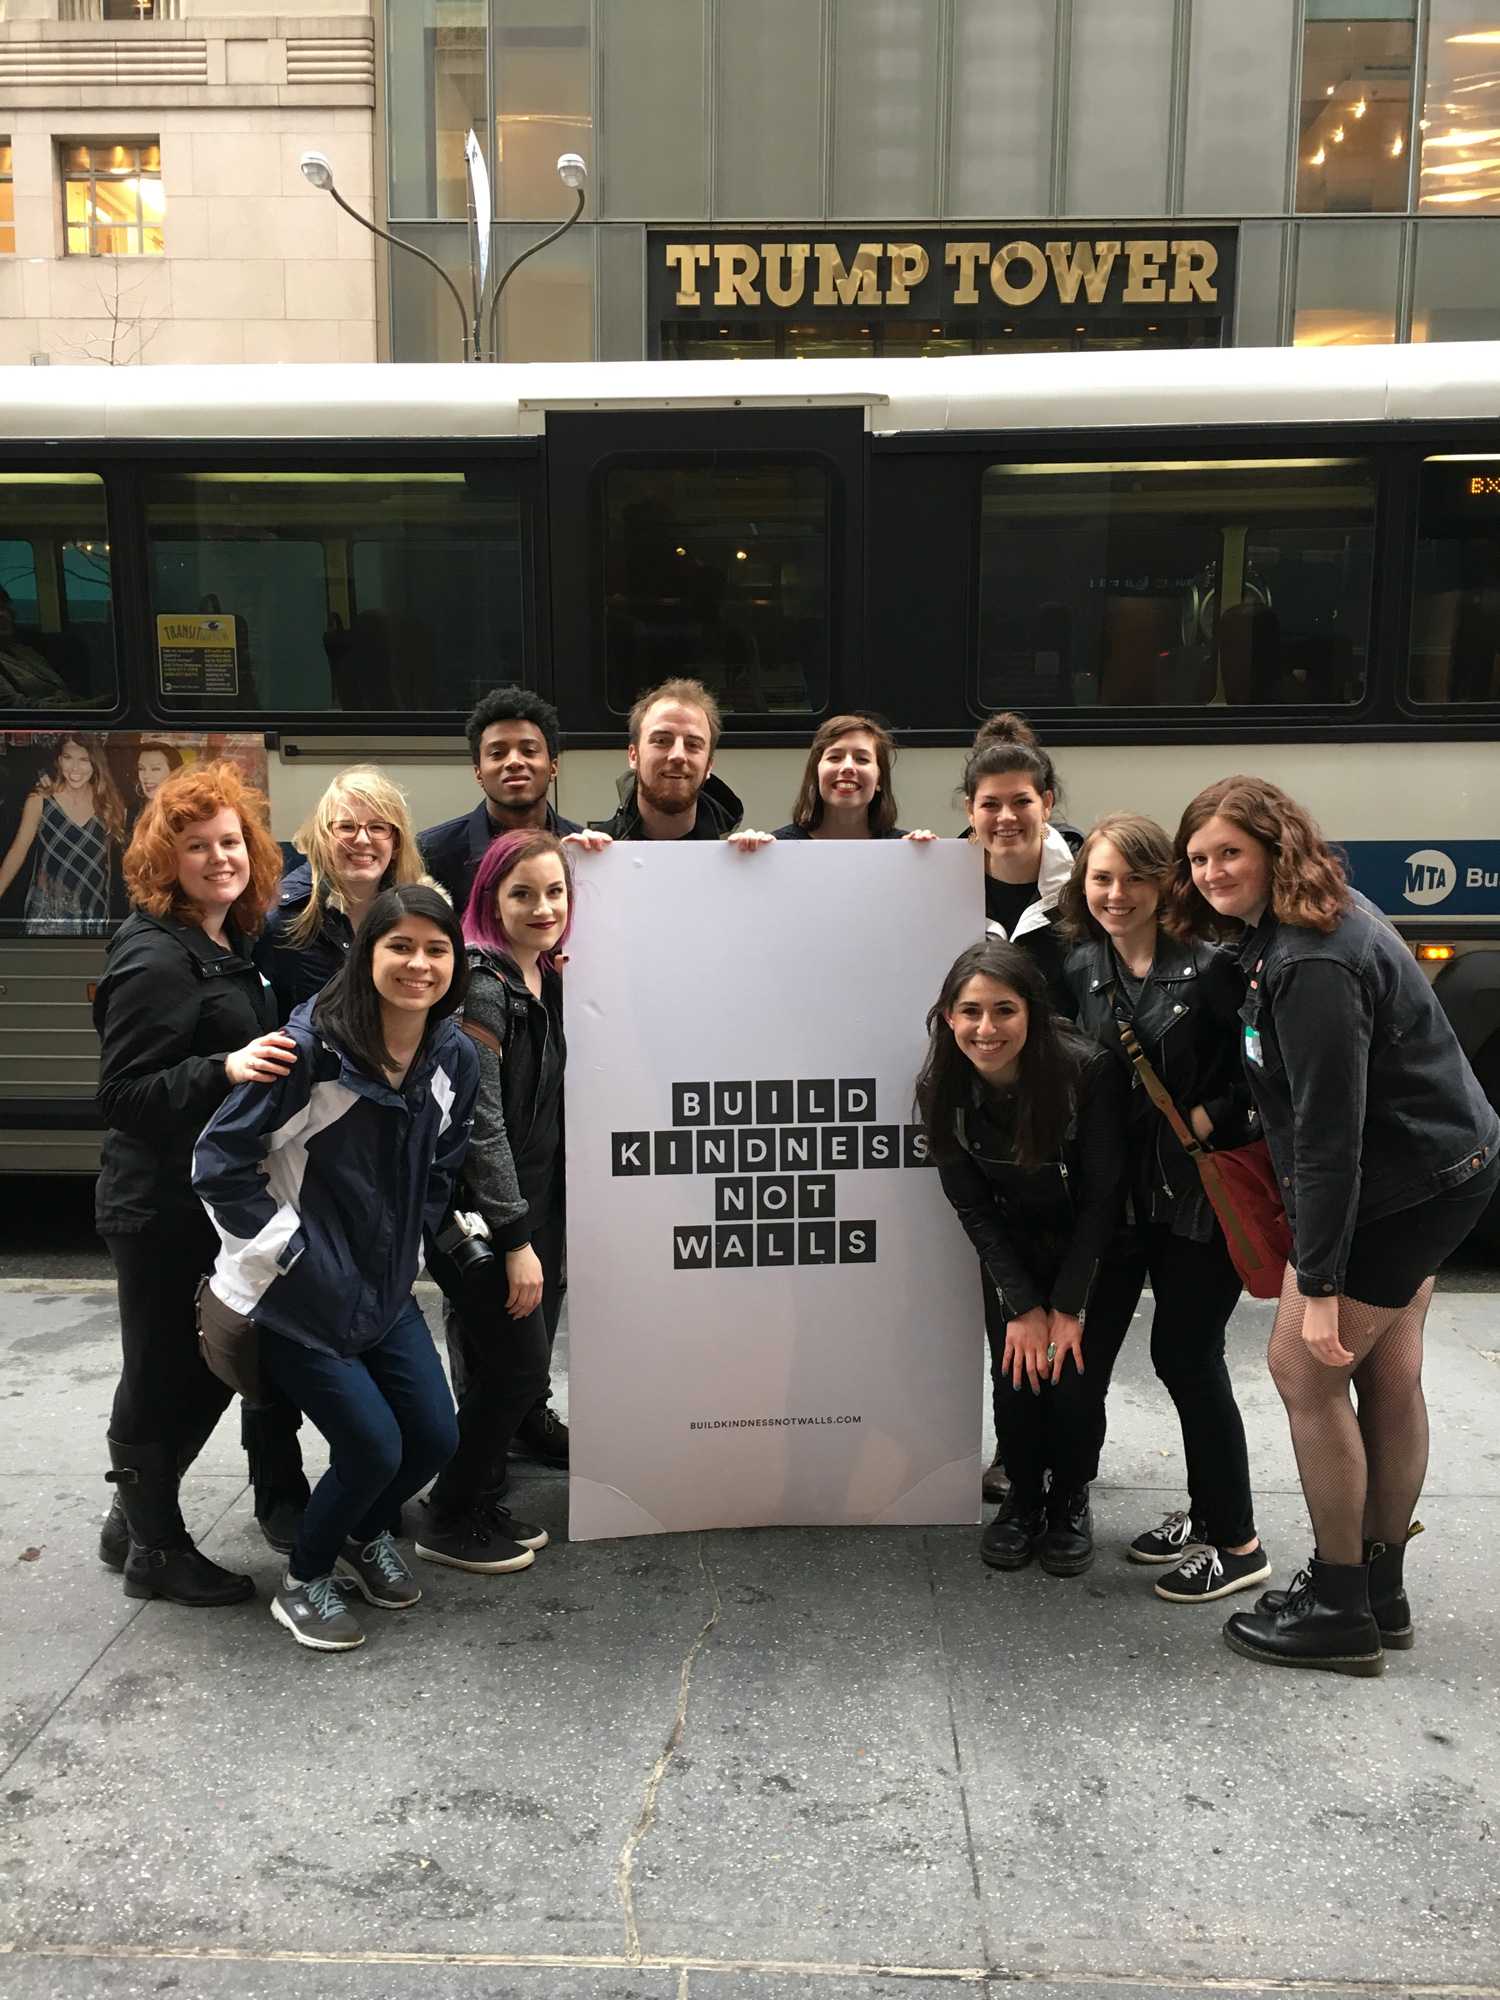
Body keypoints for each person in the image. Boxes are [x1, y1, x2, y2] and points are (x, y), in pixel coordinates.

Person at [1171, 776, 1500, 1676]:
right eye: (1198, 858)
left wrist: (1315, 1289)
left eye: (1229, 853)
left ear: (1276, 847)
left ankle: (1338, 1604)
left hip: (1404, 1187)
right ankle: (1380, 1591)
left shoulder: (1310, 960)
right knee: (1390, 1372)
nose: (1210, 872)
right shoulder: (1309, 914)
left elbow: (1328, 1141)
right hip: (1443, 1166)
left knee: (1302, 1371)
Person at [193, 884, 479, 1653]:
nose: (419, 964)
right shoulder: (308, 1051)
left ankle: (364, 1530)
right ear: (366, 955)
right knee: (373, 1448)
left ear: (455, 962)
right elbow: (218, 1163)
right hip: (302, 1299)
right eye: (400, 946)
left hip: (385, 1293)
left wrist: (420, 1245)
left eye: (436, 949)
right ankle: (305, 1580)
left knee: (432, 1437)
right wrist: (294, 1256)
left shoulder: (453, 1056)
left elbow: (442, 1169)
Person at [93, 760, 294, 1605]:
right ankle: (155, 1555)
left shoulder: (225, 942)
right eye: (197, 846)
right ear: (163, 860)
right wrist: (225, 1067)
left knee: (212, 1363)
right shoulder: (153, 956)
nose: (220, 858)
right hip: (158, 1209)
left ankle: (134, 1518)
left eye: (231, 841)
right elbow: (125, 1095)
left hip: (209, 1204)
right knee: (163, 1371)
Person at [1060, 813, 1270, 1604]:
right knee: (1086, 1356)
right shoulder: (1081, 968)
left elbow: (1263, 1070)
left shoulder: (1214, 967)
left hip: (1196, 1202)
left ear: (1161, 883)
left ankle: (1238, 1539)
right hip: (1112, 1204)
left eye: (1133, 877)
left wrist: (1213, 1117)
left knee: (1186, 1359)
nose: (1116, 894)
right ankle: (1095, 1501)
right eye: (1101, 878)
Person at [237, 765, 429, 1550]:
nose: (361, 839)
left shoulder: (417, 914)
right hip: (297, 1150)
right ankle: (280, 1494)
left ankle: (357, 1491)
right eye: (346, 825)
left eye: (377, 826)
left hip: (374, 1156)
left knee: (365, 1344)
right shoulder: (284, 924)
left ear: (397, 840)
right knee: (281, 1337)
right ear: (321, 835)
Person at [916, 939, 1127, 1577]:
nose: (987, 1028)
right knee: (1015, 1379)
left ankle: (1069, 1497)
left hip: (1096, 1251)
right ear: (948, 1017)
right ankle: (1024, 1499)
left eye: (1003, 1010)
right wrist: (1023, 1304)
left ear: (1030, 1012)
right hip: (1013, 1251)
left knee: (1074, 1386)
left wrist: (1066, 1305)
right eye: (971, 1011)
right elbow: (972, 1208)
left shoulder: (1087, 1071)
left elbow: (1104, 1200)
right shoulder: (941, 1087)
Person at [415, 828, 574, 1572]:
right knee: (513, 1364)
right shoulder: (484, 985)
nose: (542, 907)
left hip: (530, 1202)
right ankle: (449, 1512)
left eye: (555, 891)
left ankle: (475, 1498)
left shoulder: (541, 974)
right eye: (522, 893)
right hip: (481, 1215)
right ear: (489, 900)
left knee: (508, 1361)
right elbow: (481, 1128)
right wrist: (516, 1240)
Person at [420, 688, 581, 916]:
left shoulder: (580, 850)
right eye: (497, 753)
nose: (514, 762)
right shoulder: (433, 854)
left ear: (553, 766)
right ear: (478, 772)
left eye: (529, 750)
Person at [963, 714, 1082, 1012]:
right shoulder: (943, 878)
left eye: (1021, 802)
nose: (1006, 817)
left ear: (1046, 804)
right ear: (970, 810)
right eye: (990, 804)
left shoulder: (1087, 881)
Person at [587, 677, 747, 842]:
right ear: (633, 756)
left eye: (692, 744)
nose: (678, 755)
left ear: (709, 766)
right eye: (661, 741)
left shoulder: (736, 857)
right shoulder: (596, 854)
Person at [0, 732, 126, 935]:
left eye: (84, 760)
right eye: (68, 758)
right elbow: (18, 851)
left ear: (95, 764)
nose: (75, 768)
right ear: (59, 760)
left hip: (93, 908)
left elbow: (113, 866)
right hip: (48, 912)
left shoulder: (108, 805)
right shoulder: (40, 801)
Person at [771, 714, 934, 841]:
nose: (848, 767)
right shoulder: (780, 846)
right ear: (816, 773)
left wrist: (924, 855)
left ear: (879, 780)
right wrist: (750, 851)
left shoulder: (903, 847)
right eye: (834, 757)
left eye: (862, 759)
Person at [135, 740, 184, 806]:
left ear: (174, 772)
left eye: (155, 769)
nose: (146, 776)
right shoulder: (134, 810)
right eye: (141, 768)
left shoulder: (185, 810)